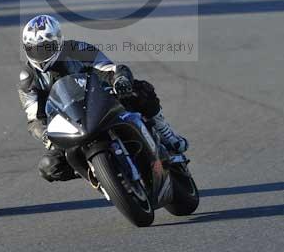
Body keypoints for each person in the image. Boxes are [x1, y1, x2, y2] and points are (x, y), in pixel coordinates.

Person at [18, 14, 189, 183]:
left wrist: (119, 80)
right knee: (49, 166)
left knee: (139, 90)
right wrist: (45, 134)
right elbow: (34, 119)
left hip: (99, 102)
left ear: (58, 41)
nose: (39, 54)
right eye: (33, 49)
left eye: (45, 47)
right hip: (69, 123)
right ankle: (98, 174)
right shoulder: (28, 78)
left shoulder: (79, 49)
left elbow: (109, 69)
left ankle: (166, 133)